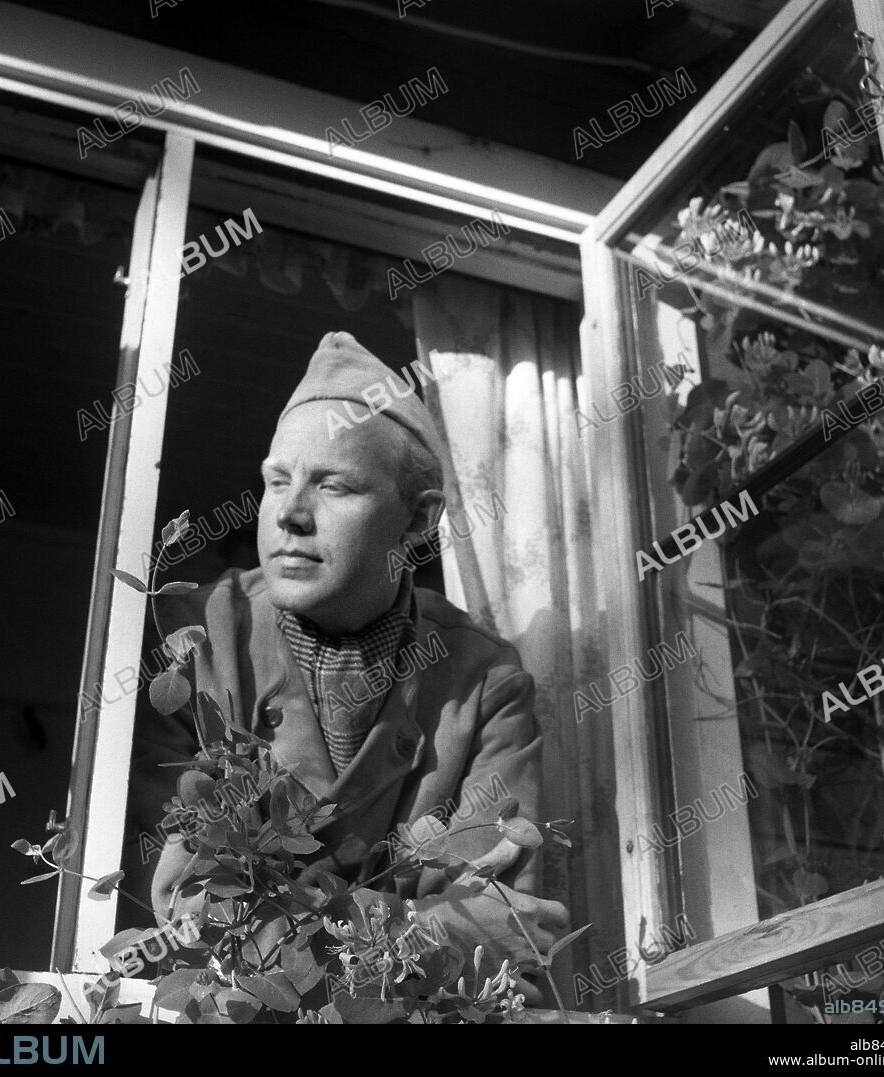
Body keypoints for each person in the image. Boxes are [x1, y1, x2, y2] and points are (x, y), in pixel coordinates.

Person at [124, 331, 569, 1003]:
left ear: (419, 522)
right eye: (277, 481)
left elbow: (509, 929)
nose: (290, 515)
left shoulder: (485, 681)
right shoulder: (192, 638)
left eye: (333, 485)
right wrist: (410, 923)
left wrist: (292, 920)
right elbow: (198, 912)